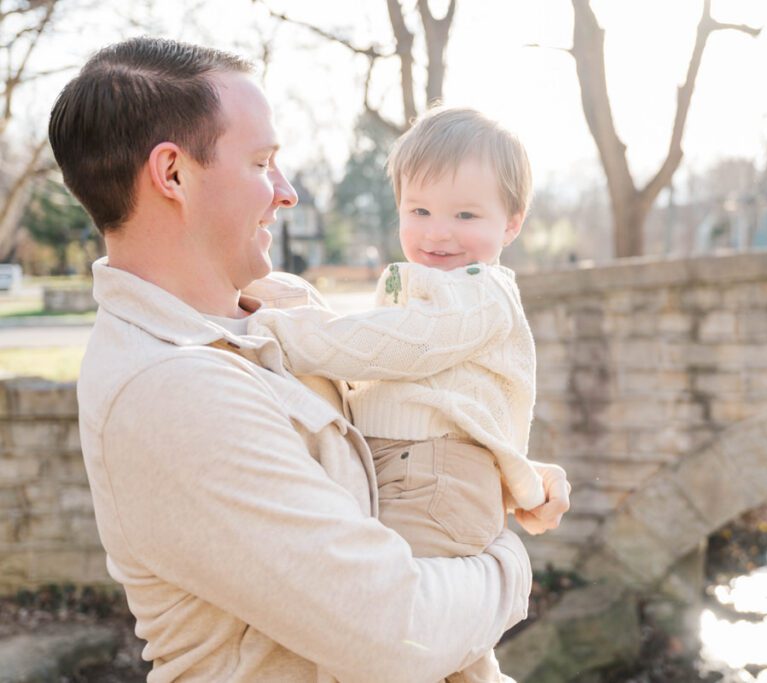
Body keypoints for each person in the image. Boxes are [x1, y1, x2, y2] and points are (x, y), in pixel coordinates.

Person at [49, 37, 569, 681]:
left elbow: (387, 421)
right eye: (262, 163)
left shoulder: (280, 306)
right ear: (173, 174)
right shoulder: (168, 389)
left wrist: (490, 454)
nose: (287, 192)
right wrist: (509, 562)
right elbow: (396, 633)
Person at [248, 107, 553, 682]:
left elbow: (402, 347)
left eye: (465, 214)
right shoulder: (422, 282)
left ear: (511, 224)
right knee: (451, 652)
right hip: (410, 470)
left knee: (398, 632)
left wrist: (287, 335)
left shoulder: (481, 293)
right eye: (419, 210)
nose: (438, 231)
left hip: (436, 475)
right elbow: (384, 357)